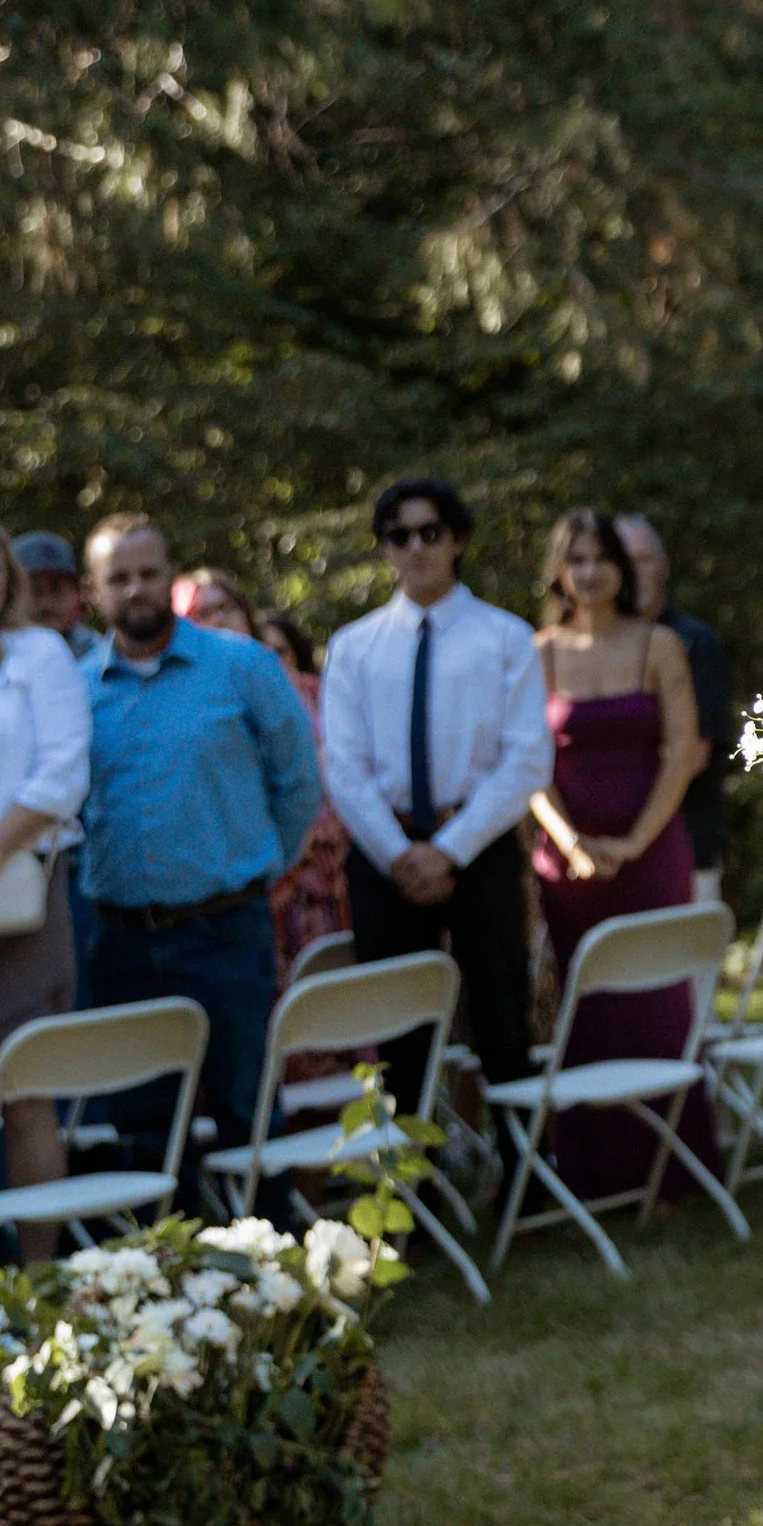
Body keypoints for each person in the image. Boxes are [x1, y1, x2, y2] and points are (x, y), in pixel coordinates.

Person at [79, 512, 321, 1183]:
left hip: (226, 928)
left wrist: (267, 866)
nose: (136, 590)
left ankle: (275, 1274)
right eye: (118, 578)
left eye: (149, 574)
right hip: (121, 941)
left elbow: (297, 781)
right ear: (93, 591)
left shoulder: (241, 665)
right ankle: (163, 1280)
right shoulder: (75, 690)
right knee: (145, 1125)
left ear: (171, 577)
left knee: (249, 1109)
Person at [321, 476, 551, 1134]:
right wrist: (401, 856)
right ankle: (411, 1199)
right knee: (399, 1035)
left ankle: (522, 1184)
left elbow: (527, 760)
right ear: (383, 548)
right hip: (385, 853)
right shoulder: (355, 647)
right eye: (399, 536)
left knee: (504, 1019)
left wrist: (447, 851)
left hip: (476, 847)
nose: (416, 548)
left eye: (430, 533)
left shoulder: (506, 638)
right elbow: (345, 767)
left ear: (457, 541)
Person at [529, 508, 714, 1195]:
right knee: (589, 1009)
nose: (589, 571)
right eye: (575, 558)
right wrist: (571, 840)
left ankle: (675, 1175)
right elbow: (528, 764)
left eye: (601, 557)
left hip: (652, 848)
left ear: (623, 568)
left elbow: (681, 751)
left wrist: (635, 842)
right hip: (569, 862)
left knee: (659, 1002)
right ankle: (595, 1178)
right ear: (559, 570)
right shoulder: (539, 651)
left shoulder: (659, 644)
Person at [0, 526, 93, 1220]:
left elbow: (63, 773)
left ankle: (40, 1289)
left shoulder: (38, 654)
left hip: (21, 898)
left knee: (26, 1090)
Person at [615, 514, 734, 903]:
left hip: (686, 850)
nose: (633, 572)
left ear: (663, 567)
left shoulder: (697, 644)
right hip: (603, 855)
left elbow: (691, 754)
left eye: (643, 560)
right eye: (622, 560)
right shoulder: (575, 651)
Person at [256, 608, 355, 980]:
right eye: (259, 652)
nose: (270, 663)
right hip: (266, 887)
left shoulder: (323, 699)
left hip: (327, 880)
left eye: (278, 652)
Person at [10, 531, 97, 660]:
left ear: (78, 593)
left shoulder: (104, 659)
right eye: (34, 591)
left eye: (56, 590)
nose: (46, 604)